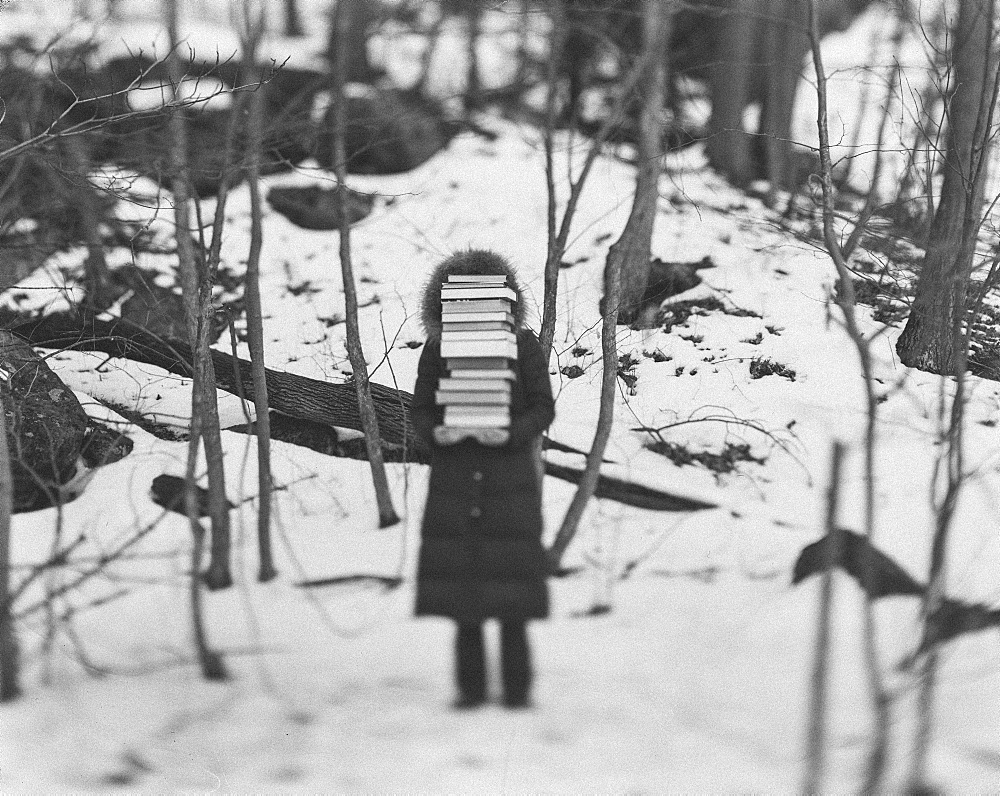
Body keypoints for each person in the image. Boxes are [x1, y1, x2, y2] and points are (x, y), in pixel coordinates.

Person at [411, 249, 555, 709]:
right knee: (464, 597)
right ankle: (470, 692)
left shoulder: (523, 347)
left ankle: (517, 693)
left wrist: (510, 432)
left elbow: (543, 408)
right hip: (456, 481)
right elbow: (420, 411)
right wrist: (437, 431)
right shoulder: (439, 349)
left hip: (508, 479)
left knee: (512, 595)